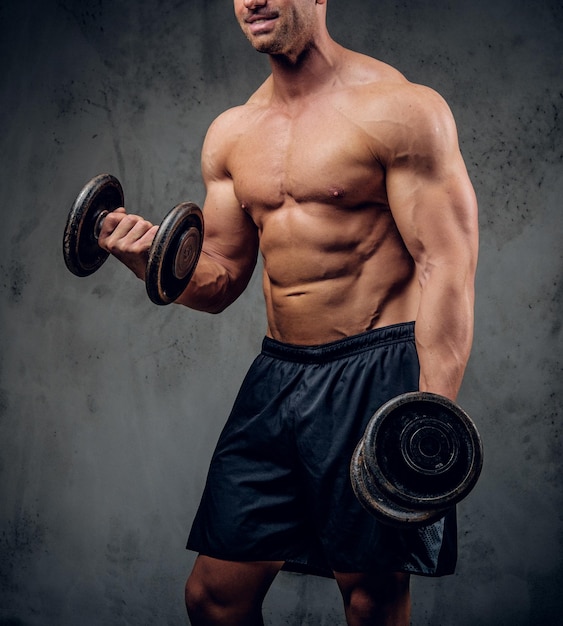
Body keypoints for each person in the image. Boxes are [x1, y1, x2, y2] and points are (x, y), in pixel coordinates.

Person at [97, 0, 479, 624]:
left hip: (374, 374)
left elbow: (447, 266)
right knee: (214, 599)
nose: (254, 0)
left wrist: (430, 422)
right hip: (278, 378)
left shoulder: (402, 110)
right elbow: (219, 280)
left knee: (369, 600)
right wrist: (147, 260)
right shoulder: (233, 133)